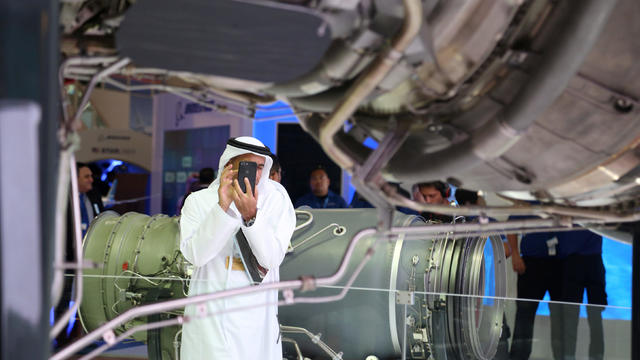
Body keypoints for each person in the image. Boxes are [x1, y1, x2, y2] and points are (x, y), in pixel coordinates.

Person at [179, 136, 296, 360]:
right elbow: (197, 256)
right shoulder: (198, 201)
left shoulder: (276, 200)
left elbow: (271, 259)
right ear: (229, 165)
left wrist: (251, 217)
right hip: (210, 318)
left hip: (257, 315)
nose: (257, 175)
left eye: (261, 167)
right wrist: (223, 208)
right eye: (249, 166)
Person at [508, 214, 564, 360]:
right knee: (524, 315)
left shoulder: (559, 201)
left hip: (561, 264)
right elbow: (511, 225)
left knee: (561, 317)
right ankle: (519, 357)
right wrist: (515, 254)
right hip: (531, 264)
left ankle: (562, 356)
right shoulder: (526, 203)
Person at [558, 230, 607, 360]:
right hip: (581, 261)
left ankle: (595, 356)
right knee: (572, 315)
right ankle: (570, 356)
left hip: (588, 260)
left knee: (591, 316)